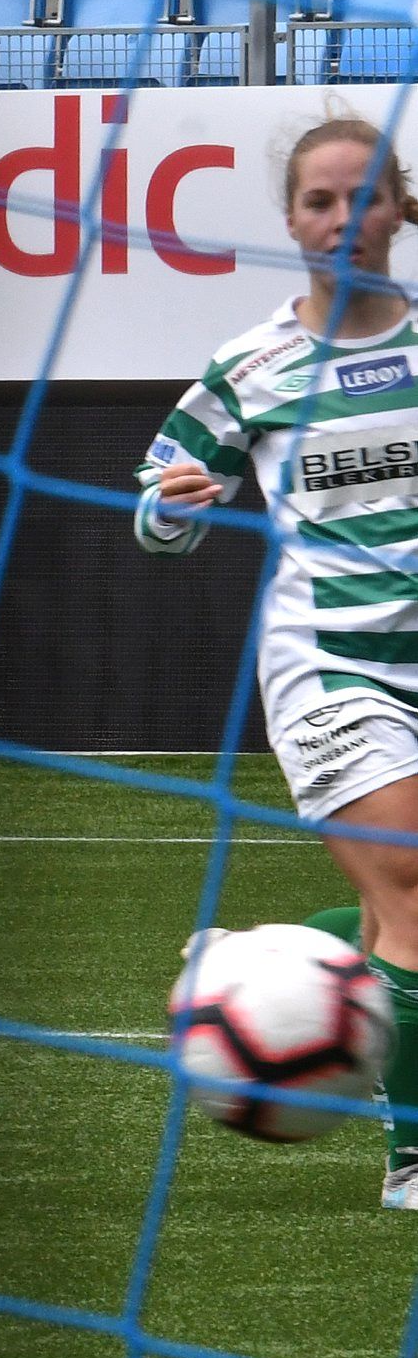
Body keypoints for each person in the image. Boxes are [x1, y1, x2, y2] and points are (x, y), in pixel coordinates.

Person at [137, 112, 418, 1209]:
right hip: (334, 667)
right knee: (413, 882)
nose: (343, 218)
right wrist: (175, 508)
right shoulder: (252, 367)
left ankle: (268, 963)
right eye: (319, 200)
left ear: (397, 209)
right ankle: (412, 1159)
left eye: (364, 195)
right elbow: (155, 514)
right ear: (293, 222)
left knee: (398, 906)